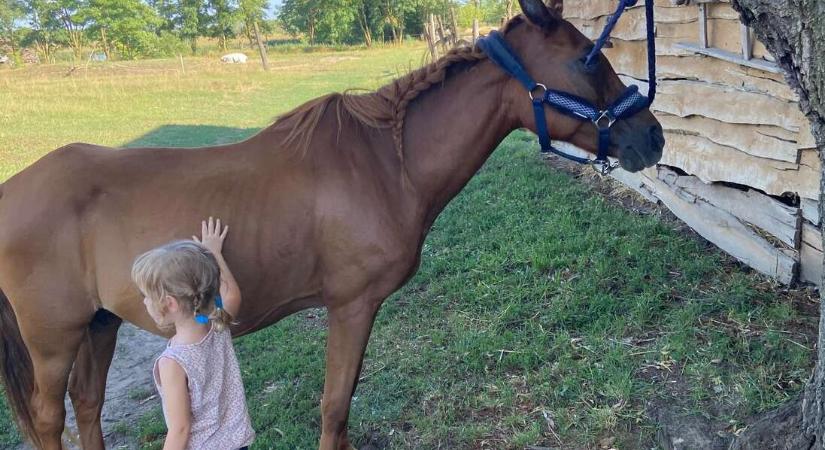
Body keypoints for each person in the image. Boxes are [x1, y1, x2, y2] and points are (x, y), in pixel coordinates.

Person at [131, 217, 255, 450]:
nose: (145, 301)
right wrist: (214, 253)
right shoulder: (218, 324)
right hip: (237, 443)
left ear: (169, 303)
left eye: (146, 295)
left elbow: (180, 429)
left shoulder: (173, 363)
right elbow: (232, 296)